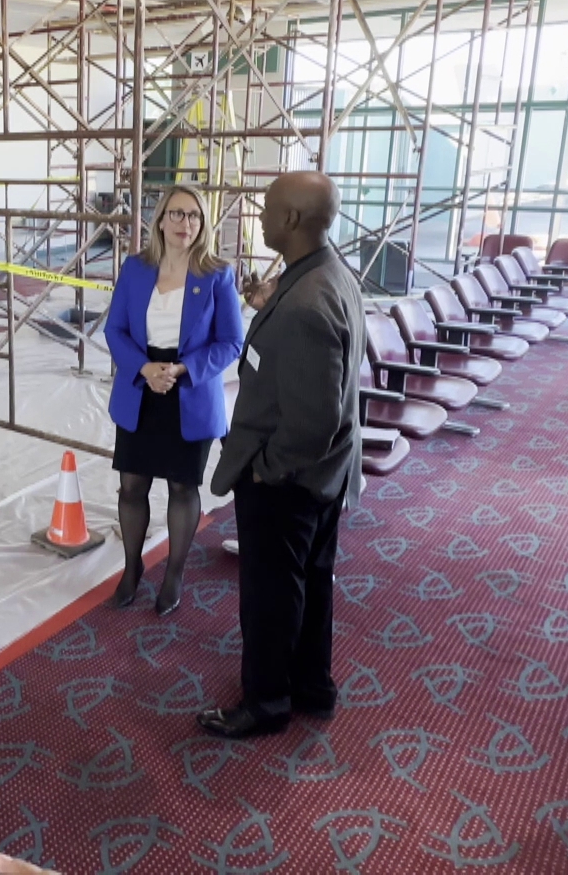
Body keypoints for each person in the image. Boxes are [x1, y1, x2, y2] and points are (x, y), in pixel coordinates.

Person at [199, 171, 364, 739]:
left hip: (288, 480)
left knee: (269, 597)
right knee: (310, 585)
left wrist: (268, 470)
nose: (261, 219)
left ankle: (266, 702)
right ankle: (311, 686)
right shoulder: (327, 274)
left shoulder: (305, 307)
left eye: (267, 210)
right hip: (327, 476)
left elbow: (311, 422)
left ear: (291, 220)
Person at [102, 184, 243, 616]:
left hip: (190, 390)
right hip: (141, 386)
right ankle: (131, 570)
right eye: (178, 214)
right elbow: (115, 330)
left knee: (183, 487)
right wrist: (144, 369)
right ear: (161, 219)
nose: (186, 224)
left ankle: (174, 575)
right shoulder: (135, 269)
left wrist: (183, 370)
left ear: (203, 225)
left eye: (195, 216)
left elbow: (231, 342)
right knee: (132, 485)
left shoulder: (216, 274)